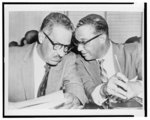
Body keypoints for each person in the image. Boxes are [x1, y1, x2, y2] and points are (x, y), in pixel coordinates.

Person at [9, 12, 88, 108]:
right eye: (57, 45)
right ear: (41, 37)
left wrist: (74, 100)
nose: (62, 53)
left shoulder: (68, 59)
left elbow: (77, 90)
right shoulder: (11, 57)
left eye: (66, 47)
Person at [74, 14, 142, 107]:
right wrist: (103, 90)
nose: (79, 48)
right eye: (77, 42)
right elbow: (89, 91)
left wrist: (138, 86)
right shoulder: (80, 61)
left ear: (102, 38)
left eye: (83, 42)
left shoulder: (135, 51)